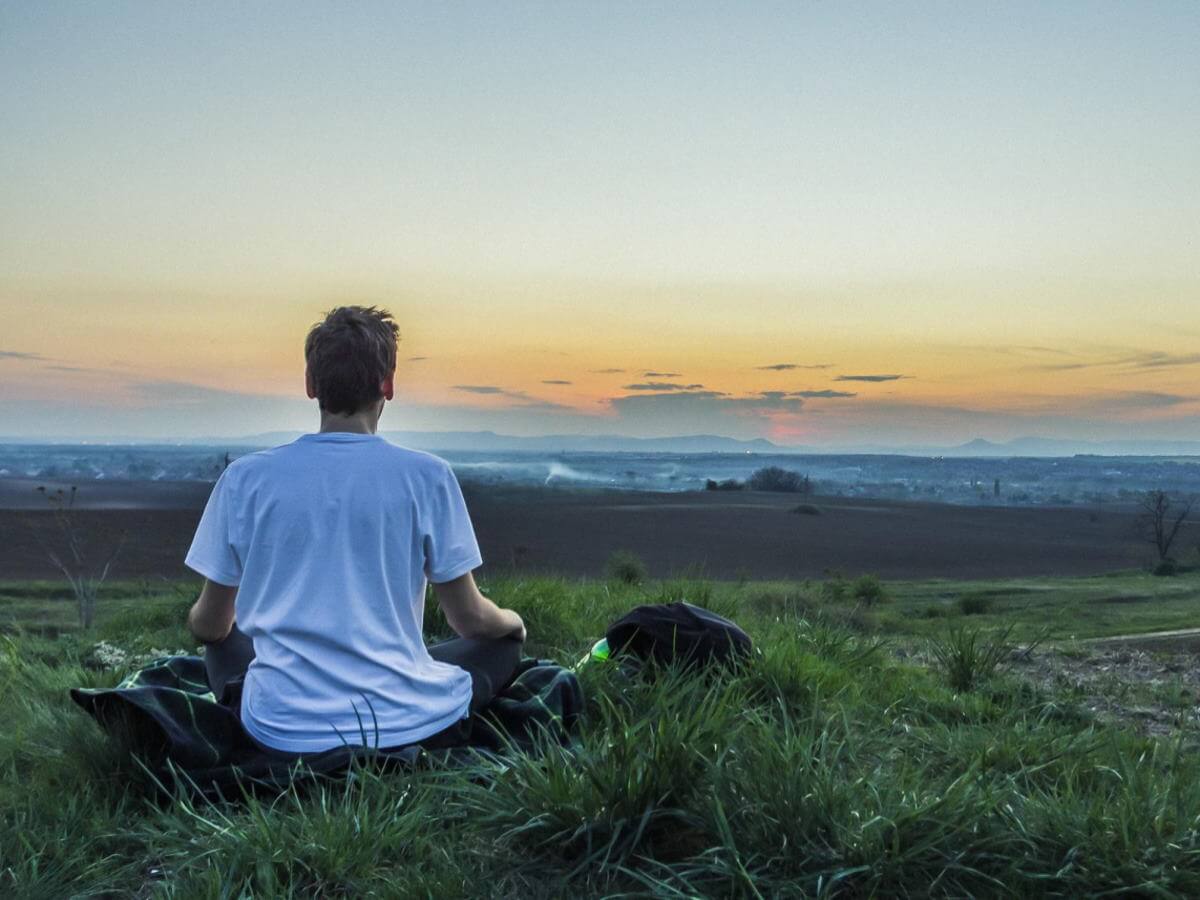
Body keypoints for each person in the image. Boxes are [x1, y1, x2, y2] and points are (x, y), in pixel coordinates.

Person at [183, 305, 525, 756]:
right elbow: (471, 621)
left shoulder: (245, 479)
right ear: (388, 384)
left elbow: (209, 626)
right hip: (403, 721)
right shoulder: (428, 476)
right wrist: (514, 623)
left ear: (310, 385)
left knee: (223, 643)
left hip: (280, 727)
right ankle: (406, 681)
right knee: (500, 648)